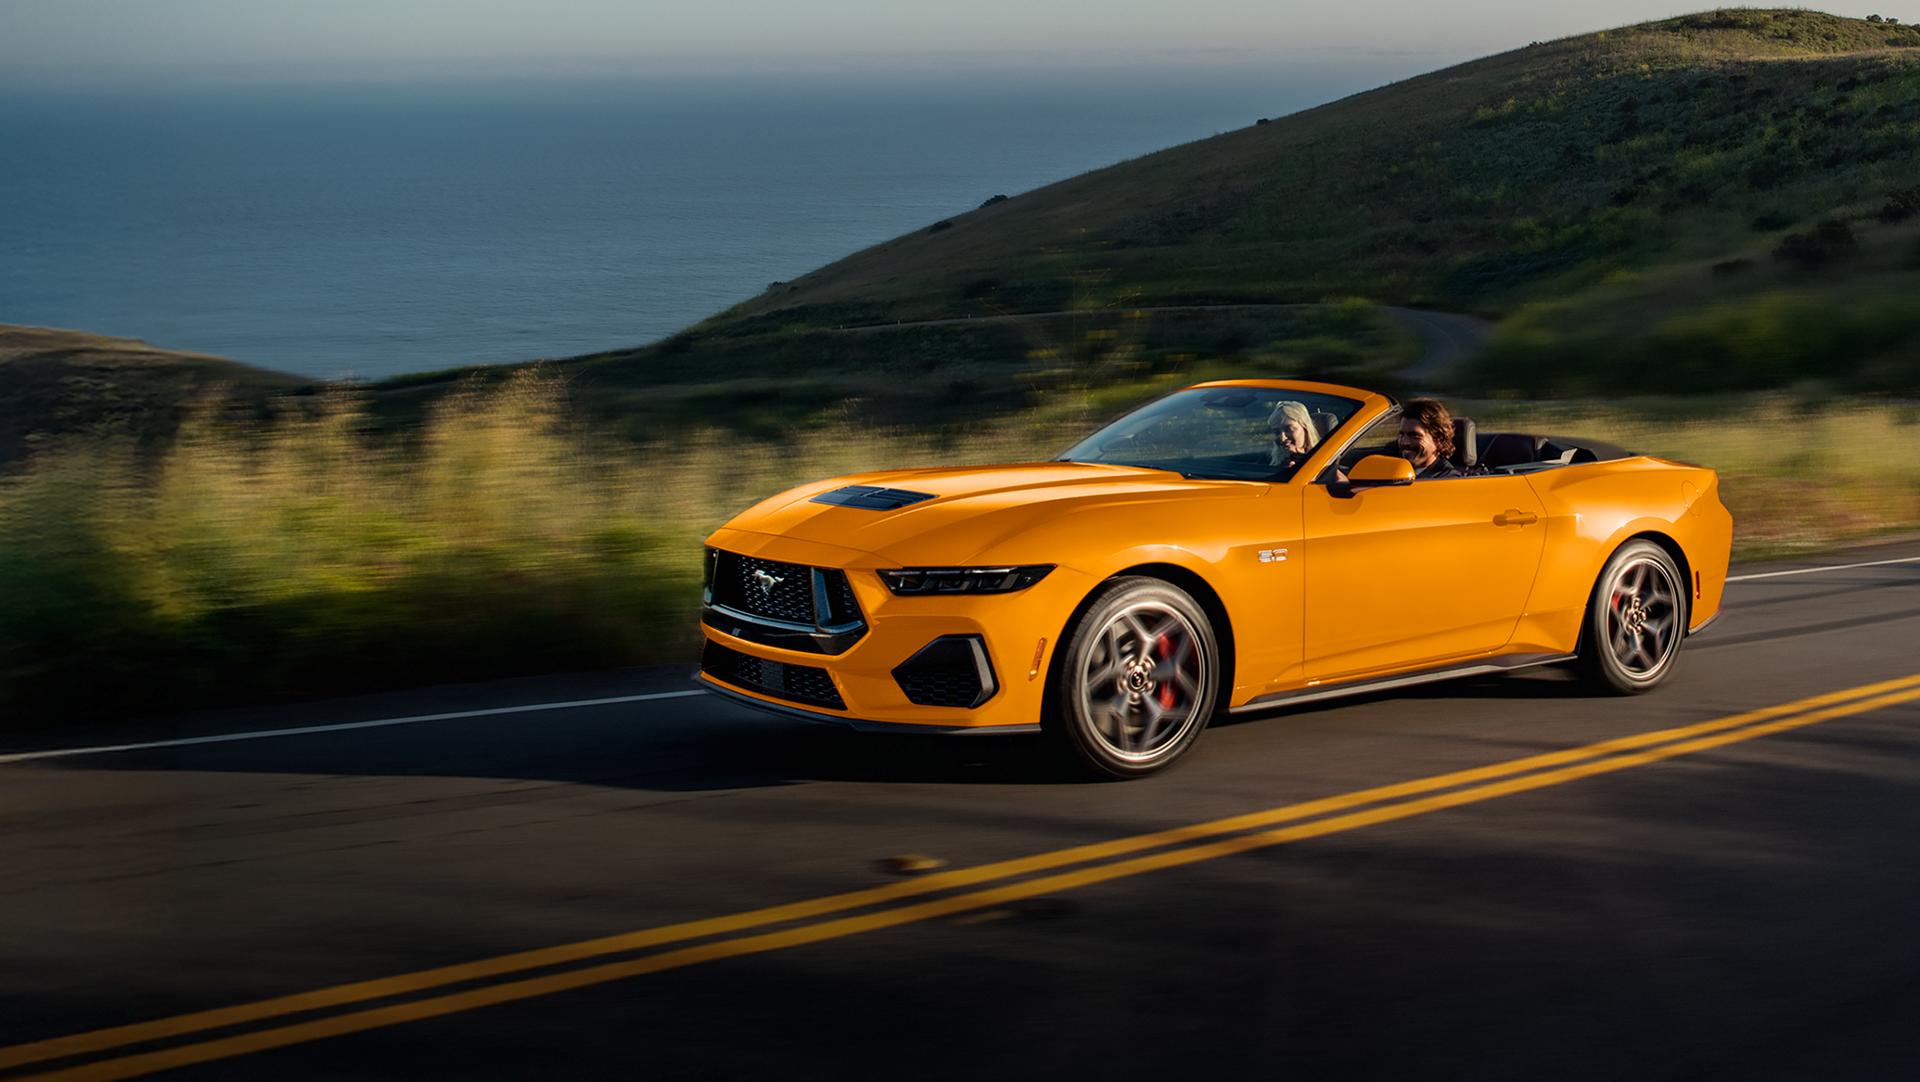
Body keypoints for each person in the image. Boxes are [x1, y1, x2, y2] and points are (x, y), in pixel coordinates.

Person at [1398, 397, 1465, 479]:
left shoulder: (1447, 479)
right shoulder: (1394, 465)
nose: (1405, 442)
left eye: (1415, 435)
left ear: (1438, 439)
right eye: (1401, 434)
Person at [1266, 400, 1321, 471]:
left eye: (1289, 429)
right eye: (1277, 432)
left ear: (1305, 428)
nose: (1282, 438)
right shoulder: (1266, 462)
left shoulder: (1326, 461)